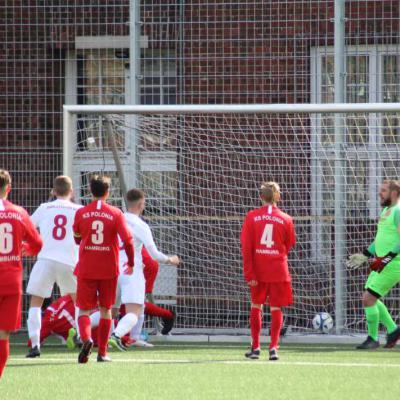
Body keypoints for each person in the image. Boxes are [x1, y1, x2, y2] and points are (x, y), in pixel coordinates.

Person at [109, 188, 180, 351]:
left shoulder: (115, 219)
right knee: (135, 310)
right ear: (141, 204)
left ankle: (83, 332)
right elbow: (154, 254)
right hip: (131, 271)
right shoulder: (140, 225)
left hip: (112, 270)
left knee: (110, 310)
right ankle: (117, 335)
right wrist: (170, 259)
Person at [73, 175, 134, 363]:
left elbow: (76, 238)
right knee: (106, 310)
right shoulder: (116, 213)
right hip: (109, 269)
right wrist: (131, 262)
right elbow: (128, 241)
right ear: (108, 192)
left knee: (83, 310)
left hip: (86, 268)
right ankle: (102, 353)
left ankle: (86, 339)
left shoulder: (81, 213)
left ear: (91, 191)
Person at [26, 175, 81, 358]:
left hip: (46, 259)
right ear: (71, 191)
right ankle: (82, 335)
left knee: (36, 302)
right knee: (78, 301)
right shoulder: (78, 210)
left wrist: (28, 246)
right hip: (69, 261)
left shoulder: (44, 208)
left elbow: (28, 228)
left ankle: (35, 345)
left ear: (54, 191)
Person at [241, 181, 296, 361]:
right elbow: (289, 244)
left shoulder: (251, 216)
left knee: (256, 306)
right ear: (278, 197)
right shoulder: (287, 219)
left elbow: (246, 247)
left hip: (258, 270)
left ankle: (256, 348)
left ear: (260, 197)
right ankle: (273, 348)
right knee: (276, 307)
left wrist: (249, 273)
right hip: (278, 270)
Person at [347, 180, 400, 349]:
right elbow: (379, 239)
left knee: (368, 298)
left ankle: (373, 338)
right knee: (371, 298)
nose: (380, 193)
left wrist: (386, 259)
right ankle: (393, 330)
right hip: (383, 262)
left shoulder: (398, 211)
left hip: (393, 263)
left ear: (393, 193)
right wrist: (364, 254)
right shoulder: (386, 210)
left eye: (383, 190)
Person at [0, 169, 42, 377]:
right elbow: (37, 243)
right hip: (11, 280)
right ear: (9, 188)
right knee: (3, 335)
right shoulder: (19, 212)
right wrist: (26, 248)